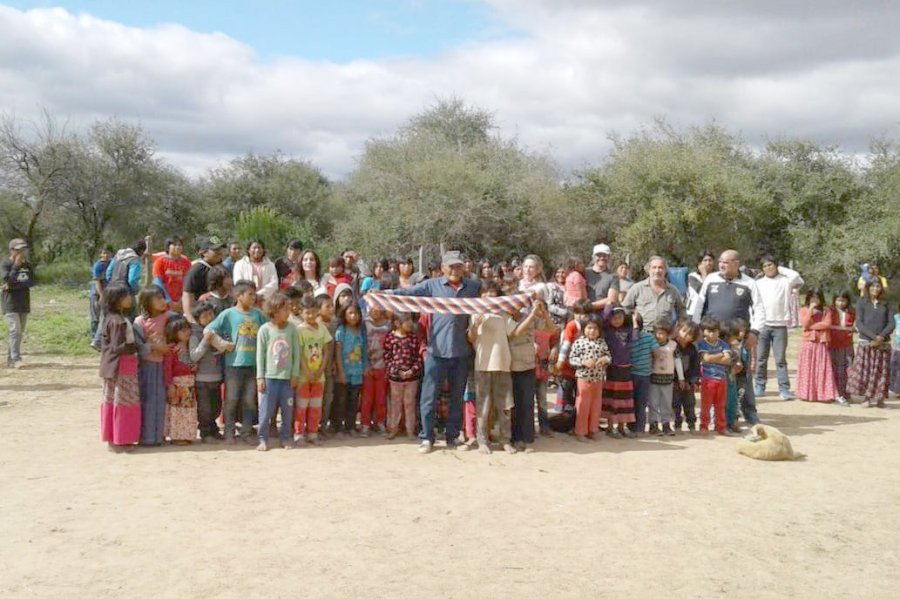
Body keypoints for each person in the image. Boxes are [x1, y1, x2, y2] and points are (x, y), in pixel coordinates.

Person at [391, 250, 481, 454]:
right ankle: (427, 437)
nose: (455, 270)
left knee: (457, 397)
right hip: (435, 351)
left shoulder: (473, 287)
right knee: (429, 397)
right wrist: (385, 295)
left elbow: (493, 299)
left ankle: (451, 436)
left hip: (461, 352)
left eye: (458, 266)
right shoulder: (431, 286)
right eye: (451, 266)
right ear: (442, 268)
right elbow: (408, 293)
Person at [690, 249, 764, 425]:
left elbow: (760, 309)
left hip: (737, 338)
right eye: (721, 261)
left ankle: (749, 412)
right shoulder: (711, 279)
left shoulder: (749, 283)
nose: (721, 265)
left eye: (726, 262)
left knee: (741, 375)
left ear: (736, 264)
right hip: (713, 337)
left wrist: (755, 332)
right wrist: (698, 329)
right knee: (714, 375)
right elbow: (699, 305)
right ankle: (719, 415)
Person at [205, 280, 267, 443]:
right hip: (233, 365)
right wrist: (222, 344)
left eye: (255, 294)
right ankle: (229, 431)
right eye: (250, 294)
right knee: (231, 399)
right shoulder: (228, 314)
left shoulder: (258, 314)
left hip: (254, 364)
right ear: (238, 296)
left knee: (249, 401)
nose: (254, 297)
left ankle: (246, 432)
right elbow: (209, 329)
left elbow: (268, 331)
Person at [465, 280, 517, 455]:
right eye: (485, 292)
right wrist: (475, 325)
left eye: (492, 293)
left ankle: (505, 441)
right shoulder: (475, 314)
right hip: (483, 364)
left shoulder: (503, 314)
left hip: (503, 364)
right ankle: (482, 441)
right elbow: (471, 339)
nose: (488, 296)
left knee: (504, 406)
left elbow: (514, 332)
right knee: (483, 406)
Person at [754, 256, 804, 400]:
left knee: (780, 359)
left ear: (776, 265)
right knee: (761, 358)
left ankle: (784, 389)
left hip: (780, 325)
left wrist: (780, 267)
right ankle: (759, 386)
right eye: (765, 266)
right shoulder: (758, 283)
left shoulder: (785, 281)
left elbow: (797, 278)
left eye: (771, 265)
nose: (768, 268)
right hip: (763, 325)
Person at [255, 291, 301, 451]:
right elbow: (260, 355)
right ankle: (262, 438)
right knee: (266, 411)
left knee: (287, 411)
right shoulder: (264, 330)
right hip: (269, 378)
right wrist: (260, 377)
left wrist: (295, 374)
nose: (288, 312)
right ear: (274, 311)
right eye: (285, 309)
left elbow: (296, 353)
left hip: (287, 379)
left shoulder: (292, 329)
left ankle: (286, 438)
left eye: (289, 308)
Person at [99, 283, 141, 451]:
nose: (129, 299)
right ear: (117, 300)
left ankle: (114, 438)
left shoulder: (112, 318)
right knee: (124, 402)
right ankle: (121, 439)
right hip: (123, 365)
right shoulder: (117, 321)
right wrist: (139, 347)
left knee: (114, 401)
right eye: (126, 296)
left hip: (116, 365)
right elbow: (118, 346)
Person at [508, 298, 553, 452]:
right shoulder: (505, 319)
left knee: (527, 403)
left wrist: (543, 312)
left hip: (528, 366)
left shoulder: (527, 316)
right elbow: (517, 332)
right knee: (513, 405)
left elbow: (550, 329)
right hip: (511, 367)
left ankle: (527, 438)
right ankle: (515, 438)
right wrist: (533, 314)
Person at [847, 280, 894, 407]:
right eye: (872, 286)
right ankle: (867, 398)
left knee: (881, 372)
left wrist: (881, 338)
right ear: (868, 288)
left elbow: (891, 323)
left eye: (878, 286)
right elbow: (859, 323)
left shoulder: (887, 303)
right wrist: (873, 337)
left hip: (883, 343)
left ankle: (880, 399)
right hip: (867, 342)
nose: (875, 288)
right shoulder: (862, 302)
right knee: (866, 371)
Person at [134, 287, 171, 446]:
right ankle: (147, 437)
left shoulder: (170, 318)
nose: (163, 302)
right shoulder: (139, 321)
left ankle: (159, 436)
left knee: (162, 401)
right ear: (147, 302)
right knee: (147, 400)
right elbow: (138, 347)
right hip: (147, 366)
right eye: (158, 299)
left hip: (165, 366)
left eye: (163, 298)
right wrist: (154, 347)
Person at [189, 302, 231, 442]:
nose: (209, 317)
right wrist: (205, 341)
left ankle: (214, 430)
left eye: (211, 314)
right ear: (198, 319)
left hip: (217, 376)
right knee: (205, 409)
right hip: (203, 379)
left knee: (216, 407)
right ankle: (205, 433)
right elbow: (194, 355)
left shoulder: (218, 332)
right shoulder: (195, 335)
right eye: (205, 316)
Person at [568, 318, 611, 442]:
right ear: (584, 329)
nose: (592, 331)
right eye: (589, 328)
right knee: (583, 405)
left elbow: (608, 355)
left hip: (598, 378)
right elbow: (571, 359)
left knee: (596, 406)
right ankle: (580, 432)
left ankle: (593, 430)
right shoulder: (579, 342)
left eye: (595, 328)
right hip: (584, 378)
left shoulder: (602, 342)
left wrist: (605, 360)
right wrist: (583, 362)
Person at [383, 312, 422, 440]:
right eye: (407, 320)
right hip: (395, 379)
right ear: (397, 323)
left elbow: (419, 357)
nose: (410, 323)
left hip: (412, 378)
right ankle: (393, 429)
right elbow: (387, 357)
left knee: (410, 404)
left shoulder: (413, 338)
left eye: (411, 320)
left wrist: (412, 370)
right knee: (395, 404)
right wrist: (397, 371)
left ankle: (410, 430)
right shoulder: (390, 337)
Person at [620, 256, 686, 332]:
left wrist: (679, 327)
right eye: (654, 267)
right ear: (648, 270)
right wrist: (633, 322)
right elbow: (625, 308)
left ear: (665, 271)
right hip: (643, 334)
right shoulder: (637, 288)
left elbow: (682, 309)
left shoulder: (673, 290)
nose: (657, 271)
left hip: (665, 335)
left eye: (660, 268)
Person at [796, 290, 838, 403]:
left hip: (821, 342)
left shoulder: (826, 310)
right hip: (808, 342)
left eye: (817, 298)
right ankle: (806, 393)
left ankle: (823, 394)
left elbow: (827, 324)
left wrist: (811, 326)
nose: (814, 300)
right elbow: (804, 323)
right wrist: (810, 310)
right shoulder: (804, 309)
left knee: (822, 368)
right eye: (812, 298)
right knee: (807, 367)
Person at [162, 318, 198, 445]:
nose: (187, 332)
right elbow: (167, 369)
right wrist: (170, 385)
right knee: (178, 411)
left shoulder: (190, 347)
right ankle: (177, 436)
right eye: (183, 330)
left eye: (188, 329)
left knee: (188, 411)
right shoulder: (172, 348)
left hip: (189, 385)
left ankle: (186, 434)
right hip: (178, 385)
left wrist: (193, 368)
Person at [603, 306, 637, 438]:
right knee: (612, 399)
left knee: (624, 400)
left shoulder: (628, 330)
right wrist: (610, 304)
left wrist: (634, 322)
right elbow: (604, 318)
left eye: (620, 318)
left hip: (626, 368)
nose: (617, 320)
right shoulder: (607, 331)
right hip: (613, 368)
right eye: (614, 318)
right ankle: (611, 428)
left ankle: (622, 427)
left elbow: (635, 338)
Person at [334, 303, 366, 436]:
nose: (353, 316)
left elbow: (363, 351)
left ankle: (351, 426)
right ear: (344, 315)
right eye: (350, 313)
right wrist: (341, 371)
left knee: (354, 401)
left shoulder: (361, 331)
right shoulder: (341, 330)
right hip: (344, 372)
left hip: (357, 372)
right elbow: (338, 352)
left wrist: (365, 367)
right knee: (341, 401)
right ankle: (338, 428)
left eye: (356, 313)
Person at [2, 238, 34, 368]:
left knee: (19, 332)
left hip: (24, 302)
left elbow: (32, 281)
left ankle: (11, 358)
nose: (21, 252)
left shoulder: (27, 265)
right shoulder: (6, 264)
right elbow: (6, 279)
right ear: (11, 250)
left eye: (23, 249)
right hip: (10, 303)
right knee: (15, 330)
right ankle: (16, 358)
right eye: (18, 249)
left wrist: (14, 285)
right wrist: (15, 266)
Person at [360, 305, 392, 436]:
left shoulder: (388, 324)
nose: (375, 310)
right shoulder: (364, 323)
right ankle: (365, 425)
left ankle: (380, 423)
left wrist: (388, 366)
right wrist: (365, 364)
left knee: (381, 398)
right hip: (368, 367)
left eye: (378, 306)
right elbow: (361, 344)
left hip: (383, 366)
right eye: (372, 307)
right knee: (366, 399)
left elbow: (391, 346)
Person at [697, 316, 731, 435]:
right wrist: (720, 355)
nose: (712, 334)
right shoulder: (701, 344)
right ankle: (704, 426)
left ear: (719, 331)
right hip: (707, 379)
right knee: (706, 406)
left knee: (720, 405)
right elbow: (705, 358)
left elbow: (728, 359)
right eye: (709, 331)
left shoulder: (723, 344)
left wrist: (712, 358)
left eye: (714, 331)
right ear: (704, 331)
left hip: (722, 379)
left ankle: (721, 427)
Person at [182, 236, 226, 324]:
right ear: (204, 253)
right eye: (215, 250)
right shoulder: (197, 269)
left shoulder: (220, 267)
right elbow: (187, 295)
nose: (219, 252)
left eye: (220, 249)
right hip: (202, 316)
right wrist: (191, 319)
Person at [649, 317, 677, 436]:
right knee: (653, 402)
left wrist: (680, 377)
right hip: (654, 377)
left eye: (662, 333)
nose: (659, 336)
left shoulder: (673, 345)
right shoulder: (651, 345)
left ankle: (666, 423)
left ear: (668, 334)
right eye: (657, 333)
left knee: (666, 402)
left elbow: (678, 361)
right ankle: (653, 424)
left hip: (668, 378)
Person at [673, 320, 701, 433]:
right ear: (678, 330)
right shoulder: (672, 345)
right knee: (675, 404)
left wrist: (692, 381)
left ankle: (691, 424)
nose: (685, 335)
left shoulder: (692, 349)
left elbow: (695, 366)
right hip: (674, 381)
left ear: (693, 337)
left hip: (688, 381)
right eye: (683, 331)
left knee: (689, 403)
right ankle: (677, 424)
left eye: (689, 334)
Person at [828, 291, 855, 405]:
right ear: (834, 300)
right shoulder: (830, 311)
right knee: (836, 369)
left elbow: (854, 325)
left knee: (847, 369)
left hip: (847, 344)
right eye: (838, 300)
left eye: (843, 300)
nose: (841, 303)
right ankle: (836, 393)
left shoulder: (851, 312)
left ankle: (845, 392)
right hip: (834, 344)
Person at [152, 238, 192, 312]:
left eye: (180, 245)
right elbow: (158, 283)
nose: (178, 247)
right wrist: (168, 301)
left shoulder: (186, 263)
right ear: (168, 247)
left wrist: (182, 300)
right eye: (174, 245)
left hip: (182, 303)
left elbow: (189, 282)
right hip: (164, 303)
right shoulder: (160, 262)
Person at [586, 243, 619, 311]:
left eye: (604, 255)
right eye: (599, 255)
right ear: (593, 257)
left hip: (602, 312)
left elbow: (611, 299)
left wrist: (589, 306)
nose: (602, 258)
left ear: (609, 257)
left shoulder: (613, 277)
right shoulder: (585, 272)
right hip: (583, 311)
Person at [89, 246, 113, 338]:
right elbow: (97, 282)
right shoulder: (98, 265)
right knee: (95, 314)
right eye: (103, 253)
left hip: (108, 292)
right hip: (97, 292)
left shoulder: (112, 264)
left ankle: (106, 334)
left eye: (108, 253)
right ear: (100, 254)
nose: (105, 255)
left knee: (108, 314)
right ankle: (94, 336)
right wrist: (101, 295)